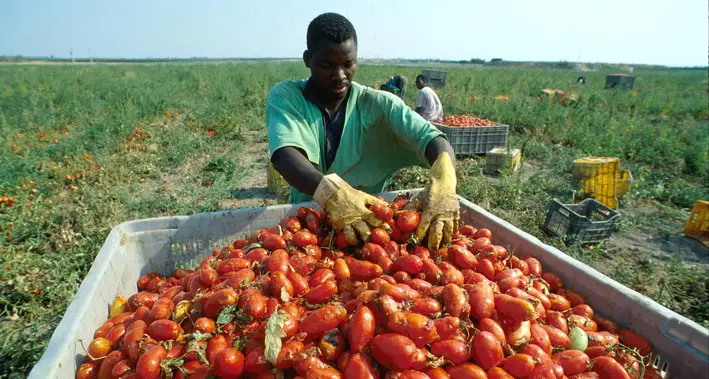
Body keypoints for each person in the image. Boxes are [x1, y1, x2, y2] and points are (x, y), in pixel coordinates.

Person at [266, 12, 459, 250]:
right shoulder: (289, 97)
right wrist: (333, 195)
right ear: (308, 59)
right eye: (327, 65)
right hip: (310, 228)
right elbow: (285, 156)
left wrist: (445, 180)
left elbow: (432, 140)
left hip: (372, 231)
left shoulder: (379, 104)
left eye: (348, 65)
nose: (339, 76)